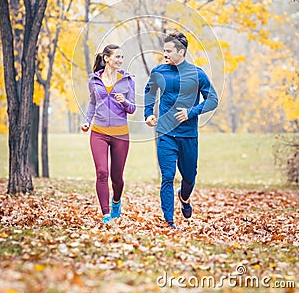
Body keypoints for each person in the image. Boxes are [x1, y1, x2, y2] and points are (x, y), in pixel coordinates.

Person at [144, 32, 218, 228]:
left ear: (181, 52)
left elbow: (212, 99)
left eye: (169, 51)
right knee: (167, 176)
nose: (165, 53)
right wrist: (148, 113)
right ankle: (169, 221)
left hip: (188, 135)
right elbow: (149, 92)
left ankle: (184, 198)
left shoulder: (197, 74)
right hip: (166, 134)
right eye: (164, 50)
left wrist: (191, 112)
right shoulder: (159, 72)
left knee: (189, 177)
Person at [81, 44, 136, 224]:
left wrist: (125, 101)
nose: (120, 60)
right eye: (117, 57)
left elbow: (133, 109)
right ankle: (106, 214)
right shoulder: (94, 80)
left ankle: (116, 202)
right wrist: (87, 121)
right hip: (99, 132)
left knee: (117, 177)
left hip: (120, 134)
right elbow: (91, 103)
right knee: (102, 172)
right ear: (106, 58)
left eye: (122, 57)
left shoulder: (127, 81)